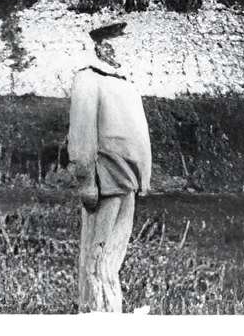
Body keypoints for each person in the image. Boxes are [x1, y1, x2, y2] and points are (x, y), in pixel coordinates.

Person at [67, 18, 153, 313]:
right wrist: (86, 181)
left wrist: (143, 178)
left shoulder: (125, 82)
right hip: (104, 181)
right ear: (101, 47)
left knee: (114, 257)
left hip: (127, 182)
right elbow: (81, 137)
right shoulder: (88, 79)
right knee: (95, 259)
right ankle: (94, 315)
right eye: (115, 43)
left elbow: (137, 134)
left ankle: (111, 314)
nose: (123, 50)